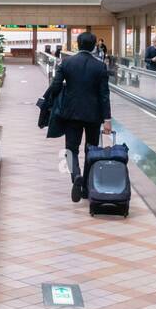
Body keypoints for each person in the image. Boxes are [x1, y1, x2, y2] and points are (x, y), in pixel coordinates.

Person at [43, 32, 112, 203]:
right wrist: (107, 119)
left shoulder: (67, 63)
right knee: (91, 149)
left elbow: (56, 85)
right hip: (93, 115)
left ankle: (76, 176)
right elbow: (104, 94)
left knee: (70, 149)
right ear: (94, 45)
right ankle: (88, 186)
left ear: (77, 44)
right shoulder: (100, 66)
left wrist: (53, 100)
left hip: (71, 112)